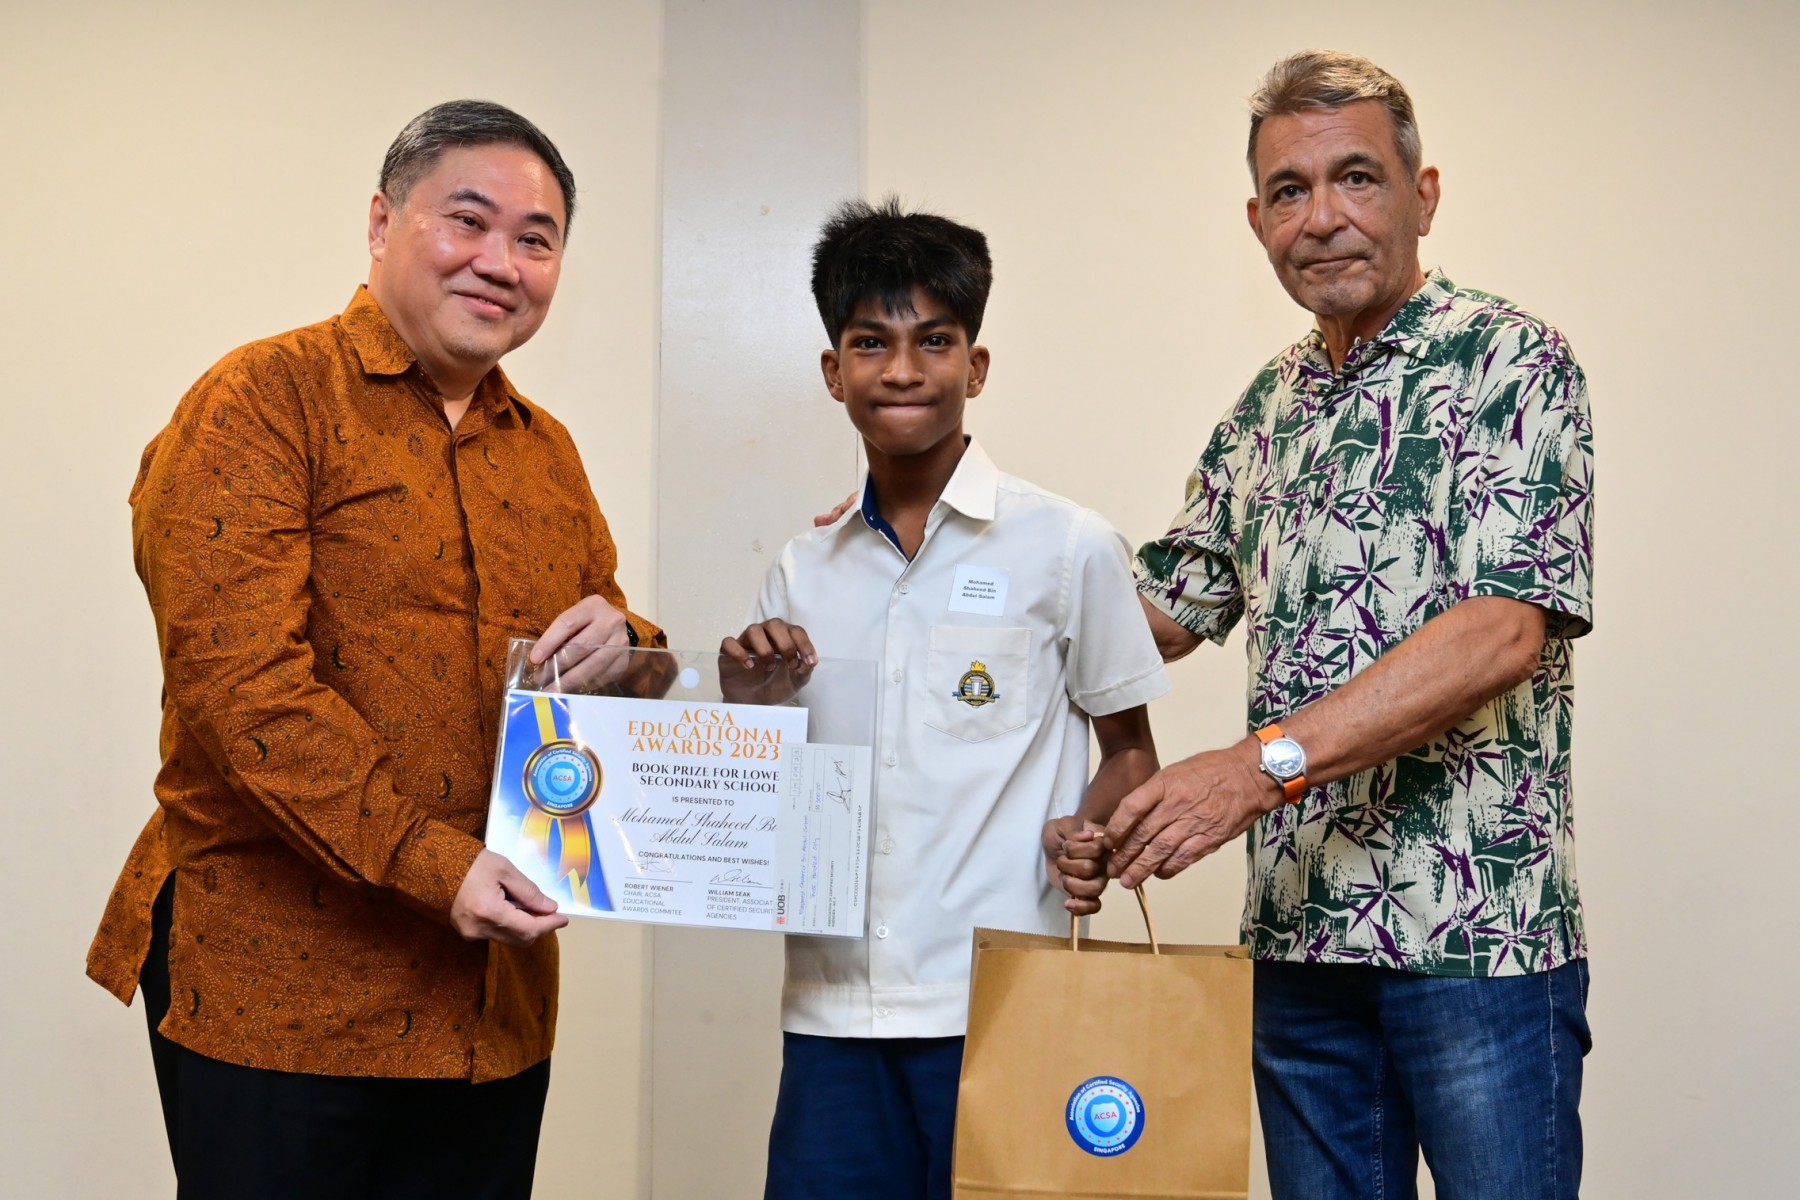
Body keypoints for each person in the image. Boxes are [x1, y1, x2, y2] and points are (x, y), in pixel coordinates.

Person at [83, 100, 662, 1200]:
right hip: (281, 995)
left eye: (536, 240)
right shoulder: (260, 400)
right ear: (382, 221)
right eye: (468, 221)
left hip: (491, 1008)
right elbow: (245, 691)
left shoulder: (548, 454)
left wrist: (630, 643)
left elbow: (587, 673)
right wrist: (439, 867)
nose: (502, 262)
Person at [1105, 51, 1596, 1200]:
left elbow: (1501, 631)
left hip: (1476, 942)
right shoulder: (1265, 408)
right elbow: (1152, 616)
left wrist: (1255, 768)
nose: (1321, 217)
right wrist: (931, 516)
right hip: (1299, 946)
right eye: (1289, 190)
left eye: (1357, 177)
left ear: (1424, 195)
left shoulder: (1513, 363)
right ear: (1257, 221)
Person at [725, 199, 1168, 1200]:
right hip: (832, 1015)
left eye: (934, 340)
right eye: (870, 343)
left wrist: (1091, 832)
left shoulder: (1068, 545)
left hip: (1006, 1001)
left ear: (976, 367)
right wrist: (747, 706)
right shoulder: (799, 570)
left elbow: (1131, 751)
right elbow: (762, 804)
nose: (902, 369)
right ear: (833, 371)